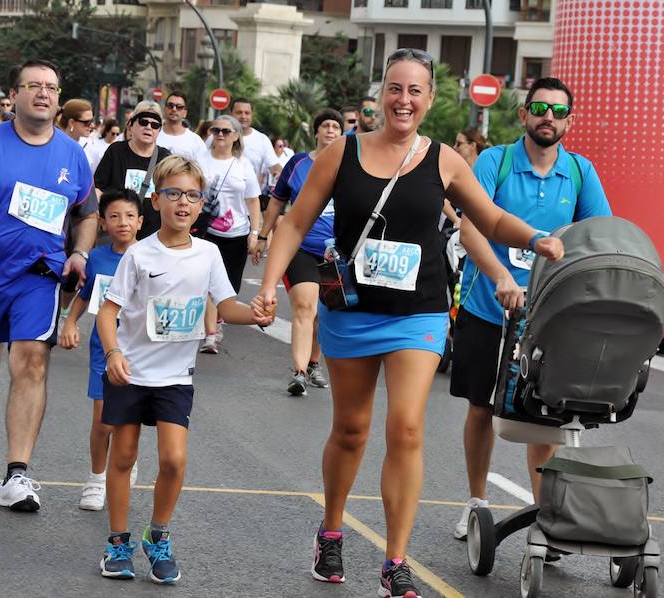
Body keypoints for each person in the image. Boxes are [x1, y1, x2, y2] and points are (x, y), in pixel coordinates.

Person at [252, 48, 563, 598]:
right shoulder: (340, 153)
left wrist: (534, 239)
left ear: (429, 100)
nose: (404, 100)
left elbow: (486, 219)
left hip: (418, 312)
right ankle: (331, 530)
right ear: (380, 95)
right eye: (395, 88)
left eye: (415, 91)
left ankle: (396, 559)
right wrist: (271, 287)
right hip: (352, 309)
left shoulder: (443, 159)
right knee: (351, 430)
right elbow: (297, 222)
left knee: (408, 429)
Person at [95, 155, 274, 583]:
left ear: (200, 205)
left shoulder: (209, 253)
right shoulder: (139, 255)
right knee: (122, 456)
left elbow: (226, 305)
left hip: (176, 377)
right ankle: (117, 542)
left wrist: (256, 314)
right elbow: (107, 312)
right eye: (173, 193)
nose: (183, 202)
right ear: (156, 200)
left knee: (174, 460)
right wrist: (113, 353)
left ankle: (157, 536)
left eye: (192, 195)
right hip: (132, 371)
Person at [450, 77, 611, 543]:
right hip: (487, 305)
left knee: (544, 412)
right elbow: (472, 230)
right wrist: (501, 277)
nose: (549, 118)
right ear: (523, 114)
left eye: (559, 112)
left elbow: (595, 235)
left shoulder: (580, 172)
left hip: (548, 316)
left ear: (569, 122)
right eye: (540, 108)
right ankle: (477, 501)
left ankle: (544, 516)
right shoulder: (495, 162)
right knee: (481, 408)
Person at [0, 59, 98, 511]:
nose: (43, 93)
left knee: (30, 363)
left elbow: (88, 213)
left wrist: (80, 253)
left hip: (40, 278)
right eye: (33, 86)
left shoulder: (71, 154)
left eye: (51, 86)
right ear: (15, 95)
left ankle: (17, 474)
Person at [59, 189, 143, 511]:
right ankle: (96, 479)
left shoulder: (150, 256)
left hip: (139, 350)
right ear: (104, 223)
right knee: (103, 421)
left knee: (129, 419)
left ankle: (125, 461)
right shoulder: (97, 257)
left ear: (140, 221)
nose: (123, 222)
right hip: (103, 348)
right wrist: (70, 322)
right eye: (115, 216)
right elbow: (85, 294)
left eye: (130, 216)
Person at [255, 109, 343, 395]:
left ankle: (314, 362)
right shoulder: (298, 163)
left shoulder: (350, 167)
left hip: (336, 251)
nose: (330, 130)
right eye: (325, 126)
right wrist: (262, 235)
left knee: (324, 312)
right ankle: (299, 371)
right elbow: (277, 201)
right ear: (316, 132)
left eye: (335, 127)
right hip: (301, 246)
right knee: (306, 305)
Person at [197, 114, 261, 354]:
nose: (220, 135)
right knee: (210, 283)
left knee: (230, 286)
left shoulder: (243, 165)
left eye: (225, 131)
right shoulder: (200, 160)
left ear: (236, 136)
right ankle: (211, 334)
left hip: (237, 233)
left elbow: (253, 201)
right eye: (216, 130)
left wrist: (255, 233)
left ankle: (218, 321)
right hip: (207, 231)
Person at [94, 101, 171, 238]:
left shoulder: (165, 158)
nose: (148, 127)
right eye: (143, 122)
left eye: (155, 125)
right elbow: (98, 187)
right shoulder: (116, 151)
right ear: (131, 125)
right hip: (117, 234)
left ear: (159, 130)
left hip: (152, 236)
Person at [156, 91, 205, 162]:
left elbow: (202, 170)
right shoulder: (154, 135)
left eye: (179, 107)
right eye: (170, 105)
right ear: (164, 109)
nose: (174, 109)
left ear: (185, 113)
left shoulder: (196, 141)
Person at [58, 98, 99, 172]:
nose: (92, 125)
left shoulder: (92, 149)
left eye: (92, 121)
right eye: (87, 122)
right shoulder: (52, 142)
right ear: (72, 122)